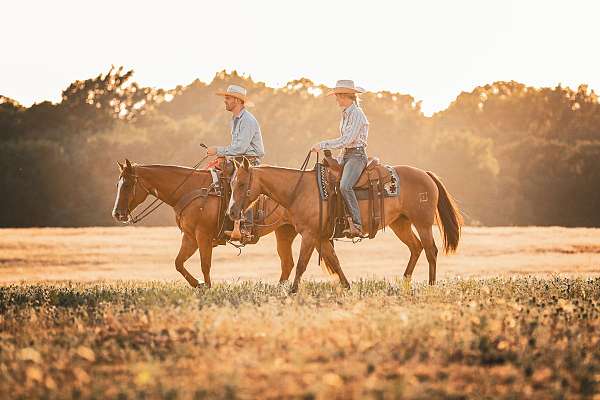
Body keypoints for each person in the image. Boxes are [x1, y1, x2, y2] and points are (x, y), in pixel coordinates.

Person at [206, 84, 265, 240]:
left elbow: (239, 147)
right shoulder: (235, 120)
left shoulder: (248, 120)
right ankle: (223, 224)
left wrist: (218, 150)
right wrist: (224, 157)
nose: (225, 101)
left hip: (250, 161)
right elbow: (235, 148)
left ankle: (246, 227)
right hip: (238, 160)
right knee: (215, 179)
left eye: (228, 98)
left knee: (239, 183)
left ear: (237, 101)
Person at [312, 80, 369, 237]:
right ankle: (339, 221)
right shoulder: (346, 114)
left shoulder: (357, 114)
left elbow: (347, 140)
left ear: (345, 96)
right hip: (346, 155)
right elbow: (345, 141)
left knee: (345, 186)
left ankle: (357, 224)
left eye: (338, 96)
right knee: (328, 182)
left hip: (357, 156)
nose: (336, 99)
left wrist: (322, 145)